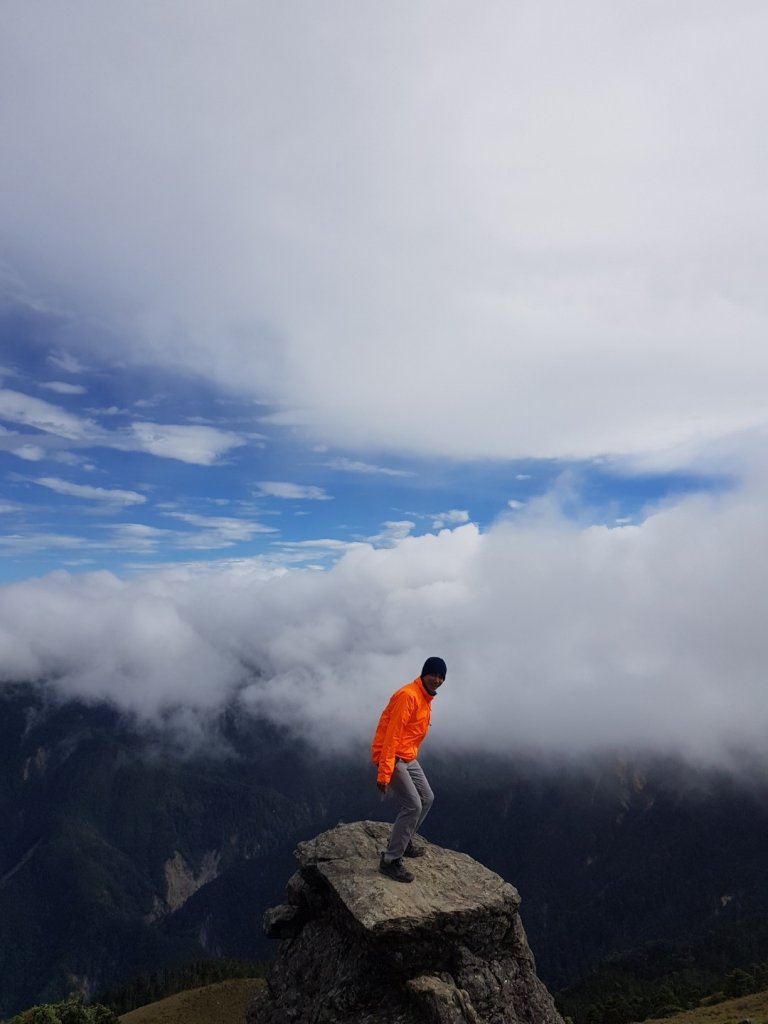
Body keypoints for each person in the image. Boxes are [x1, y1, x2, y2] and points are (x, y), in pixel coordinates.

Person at [371, 656, 447, 883]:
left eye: (441, 677)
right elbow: (392, 736)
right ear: (424, 673)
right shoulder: (409, 696)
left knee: (428, 797)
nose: (437, 680)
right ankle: (390, 860)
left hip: (407, 756)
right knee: (413, 805)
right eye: (433, 674)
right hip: (392, 756)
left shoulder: (424, 698)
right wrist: (384, 772)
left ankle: (405, 839)